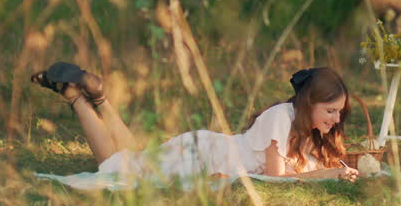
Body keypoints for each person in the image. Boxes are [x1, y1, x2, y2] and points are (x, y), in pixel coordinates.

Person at [31, 63, 361, 182]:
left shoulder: (308, 133)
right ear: (309, 102)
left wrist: (337, 169)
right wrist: (330, 174)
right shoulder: (282, 117)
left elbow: (309, 169)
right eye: (330, 111)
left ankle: (99, 98)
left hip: (205, 151)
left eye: (338, 113)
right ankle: (75, 95)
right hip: (206, 156)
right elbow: (277, 179)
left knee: (133, 158)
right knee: (114, 165)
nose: (335, 120)